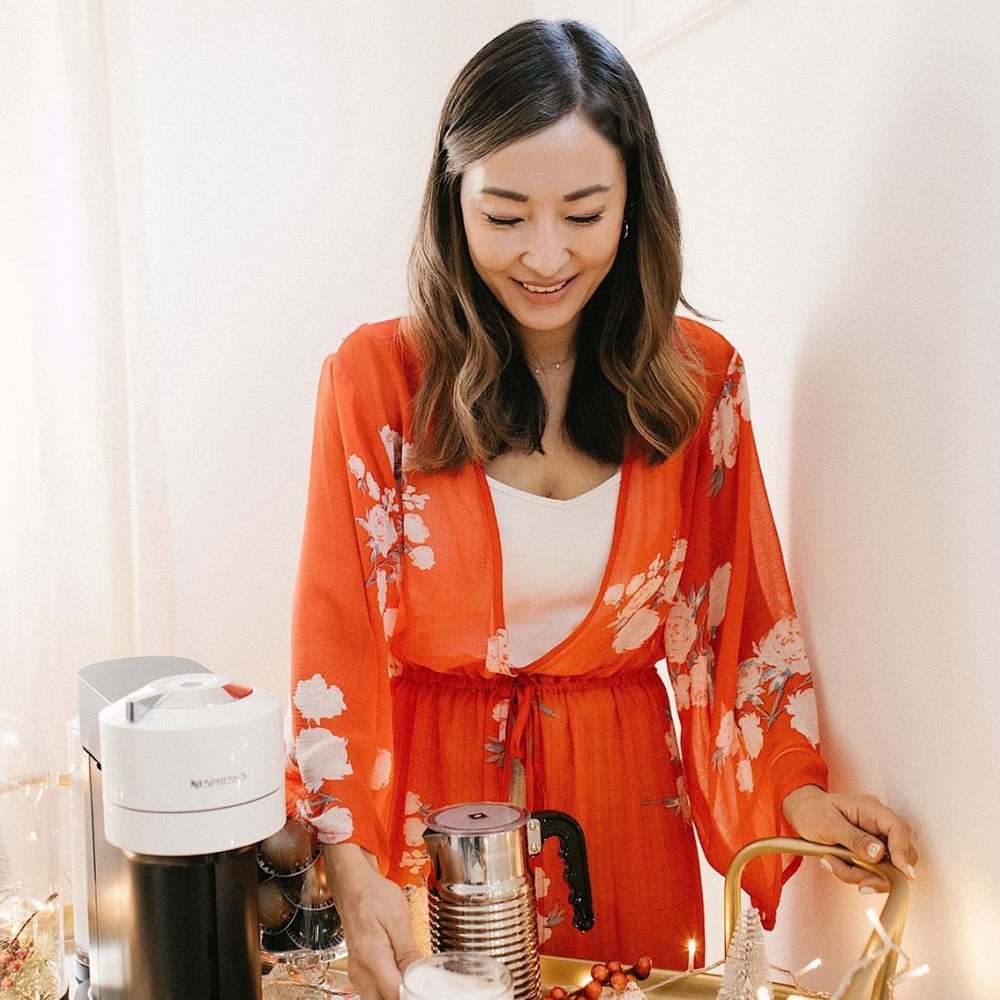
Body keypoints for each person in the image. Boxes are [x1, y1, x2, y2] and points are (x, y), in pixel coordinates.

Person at [286, 18, 916, 1000]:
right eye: (504, 216)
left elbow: (737, 636)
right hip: (431, 822)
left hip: (623, 809)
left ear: (633, 203)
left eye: (583, 213)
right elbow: (338, 640)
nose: (545, 255)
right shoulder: (376, 380)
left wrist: (800, 801)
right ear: (452, 204)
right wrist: (351, 863)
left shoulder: (700, 382)